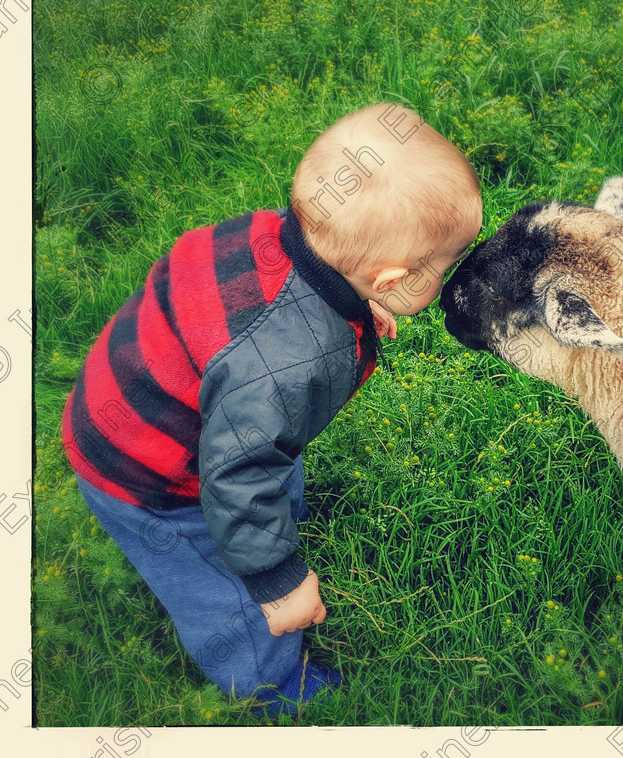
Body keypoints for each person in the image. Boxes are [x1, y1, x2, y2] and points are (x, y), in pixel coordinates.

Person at [61, 102, 483, 717]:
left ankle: (268, 544)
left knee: (261, 449)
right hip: (150, 476)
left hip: (143, 397)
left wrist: (362, 304)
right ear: (390, 278)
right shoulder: (281, 363)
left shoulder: (274, 237)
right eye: (442, 272)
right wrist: (279, 584)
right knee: (221, 584)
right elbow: (235, 475)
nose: (446, 283)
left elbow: (256, 339)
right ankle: (270, 683)